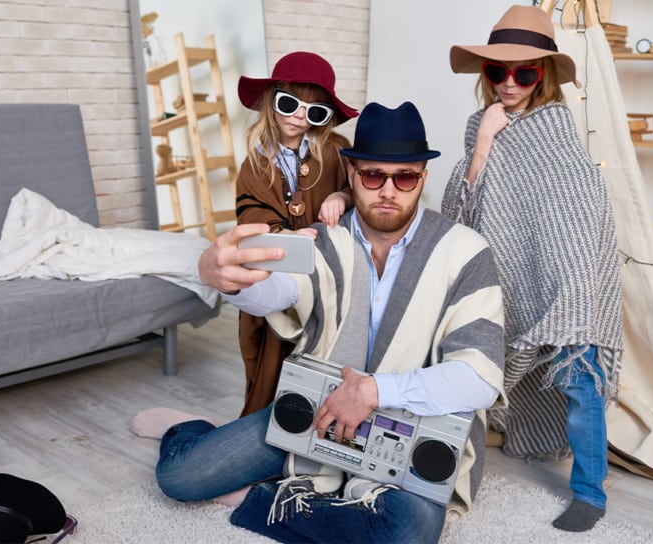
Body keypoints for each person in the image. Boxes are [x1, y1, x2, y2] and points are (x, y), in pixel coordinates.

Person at [133, 101, 506, 544]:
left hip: (410, 429)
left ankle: (249, 497)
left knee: (406, 533)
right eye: (373, 175)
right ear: (352, 176)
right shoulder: (326, 240)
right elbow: (277, 292)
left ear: (421, 180)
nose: (388, 190)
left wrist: (371, 391)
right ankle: (194, 431)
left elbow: (479, 376)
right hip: (314, 414)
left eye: (404, 177)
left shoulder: (466, 252)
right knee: (180, 479)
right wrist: (229, 281)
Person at [442, 5, 623, 533]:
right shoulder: (483, 125)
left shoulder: (556, 126)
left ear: (542, 75)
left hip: (570, 279)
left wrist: (574, 283)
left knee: (581, 386)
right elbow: (463, 216)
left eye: (524, 72)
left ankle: (590, 492)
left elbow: (583, 207)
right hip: (507, 280)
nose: (510, 82)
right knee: (472, 365)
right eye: (497, 71)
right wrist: (483, 144)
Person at [234, 51, 359, 417]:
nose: (298, 116)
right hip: (276, 270)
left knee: (324, 350)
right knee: (270, 351)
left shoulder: (336, 150)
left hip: (330, 275)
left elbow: (364, 192)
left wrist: (342, 194)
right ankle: (267, 419)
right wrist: (285, 238)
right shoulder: (255, 162)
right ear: (271, 101)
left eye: (314, 111)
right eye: (289, 104)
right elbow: (251, 213)